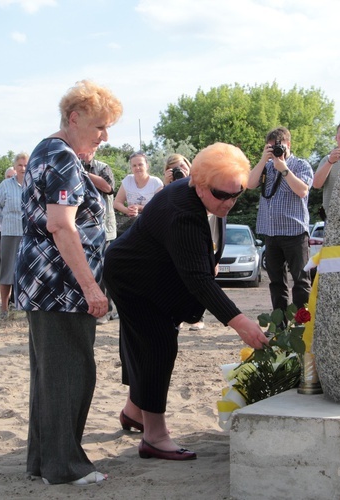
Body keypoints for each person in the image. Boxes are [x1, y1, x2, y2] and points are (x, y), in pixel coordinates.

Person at [104, 142, 269, 461]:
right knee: (158, 343)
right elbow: (199, 281)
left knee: (146, 342)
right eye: (223, 195)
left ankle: (134, 412)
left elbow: (205, 255)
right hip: (132, 278)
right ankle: (154, 437)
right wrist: (241, 323)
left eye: (237, 194)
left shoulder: (212, 195)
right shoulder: (183, 211)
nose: (230, 203)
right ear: (199, 183)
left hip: (155, 273)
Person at [15, 80, 122, 486]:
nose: (105, 137)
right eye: (99, 127)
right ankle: (64, 467)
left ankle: (43, 462)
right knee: (70, 372)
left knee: (51, 373)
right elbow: (62, 226)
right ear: (74, 119)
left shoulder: (48, 150)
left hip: (45, 282)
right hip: (61, 285)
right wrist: (92, 289)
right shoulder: (60, 156)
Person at [248, 127, 314, 316]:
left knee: (301, 280)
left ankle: (302, 324)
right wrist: (264, 159)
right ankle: (280, 325)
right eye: (271, 147)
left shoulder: (301, 165)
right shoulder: (266, 167)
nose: (276, 150)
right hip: (271, 232)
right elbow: (250, 184)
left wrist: (284, 169)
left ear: (289, 145)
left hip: (295, 232)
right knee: (276, 282)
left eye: (280, 146)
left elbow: (302, 191)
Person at [162, 154, 206, 331]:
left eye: (182, 166)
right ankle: (177, 316)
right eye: (174, 168)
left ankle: (197, 317)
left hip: (192, 239)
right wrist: (167, 184)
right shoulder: (164, 188)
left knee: (196, 278)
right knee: (173, 280)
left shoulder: (199, 188)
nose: (179, 171)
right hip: (171, 240)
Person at [79, 150, 118, 325]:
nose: (83, 153)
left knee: (106, 270)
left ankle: (108, 311)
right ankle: (92, 309)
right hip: (81, 229)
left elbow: (108, 188)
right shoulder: (73, 165)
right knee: (88, 270)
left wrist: (85, 174)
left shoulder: (103, 167)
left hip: (104, 229)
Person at [0, 152, 28, 320]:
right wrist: (9, 220)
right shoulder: (5, 185)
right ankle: (4, 308)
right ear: (15, 167)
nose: (23, 168)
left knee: (27, 272)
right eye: (20, 165)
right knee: (7, 271)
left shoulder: (34, 184)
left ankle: (27, 308)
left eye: (26, 165)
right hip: (9, 233)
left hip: (29, 235)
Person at [113, 152, 163, 234]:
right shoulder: (128, 180)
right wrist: (127, 210)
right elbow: (117, 203)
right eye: (134, 165)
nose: (137, 168)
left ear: (147, 166)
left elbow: (159, 207)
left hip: (152, 223)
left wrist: (140, 207)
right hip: (132, 222)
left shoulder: (156, 182)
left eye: (140, 164)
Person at [312, 121, 340, 219]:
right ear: (336, 139)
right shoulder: (327, 159)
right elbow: (316, 184)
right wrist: (330, 162)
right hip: (332, 216)